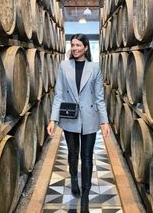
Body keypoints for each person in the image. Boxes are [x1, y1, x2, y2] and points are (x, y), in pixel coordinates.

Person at [47, 33, 110, 213]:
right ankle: (74, 178)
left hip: (90, 118)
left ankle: (85, 197)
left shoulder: (95, 68)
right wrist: (53, 119)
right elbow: (58, 94)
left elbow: (99, 97)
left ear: (86, 48)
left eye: (78, 45)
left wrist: (104, 121)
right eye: (72, 45)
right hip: (70, 117)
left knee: (88, 157)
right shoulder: (64, 66)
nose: (74, 48)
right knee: (73, 153)